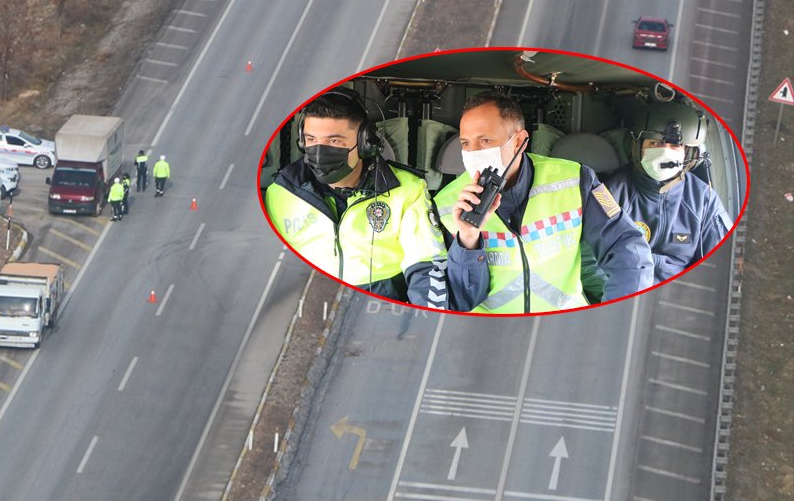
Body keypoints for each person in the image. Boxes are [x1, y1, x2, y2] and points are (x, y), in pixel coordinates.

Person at [434, 91, 653, 313]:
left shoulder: (575, 180)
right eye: (466, 143)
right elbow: (460, 301)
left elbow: (627, 249)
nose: (473, 153)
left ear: (519, 141)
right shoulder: (445, 204)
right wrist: (468, 241)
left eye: (485, 140)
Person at [264, 87, 449, 307]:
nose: (320, 151)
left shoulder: (407, 189)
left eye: (334, 141)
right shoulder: (281, 192)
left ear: (365, 143)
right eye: (311, 139)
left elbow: (426, 264)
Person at [603, 102, 733, 283]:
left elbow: (719, 267)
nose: (665, 152)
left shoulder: (704, 200)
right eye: (655, 143)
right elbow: (592, 262)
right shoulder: (612, 194)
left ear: (687, 152)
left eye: (675, 145)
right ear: (638, 147)